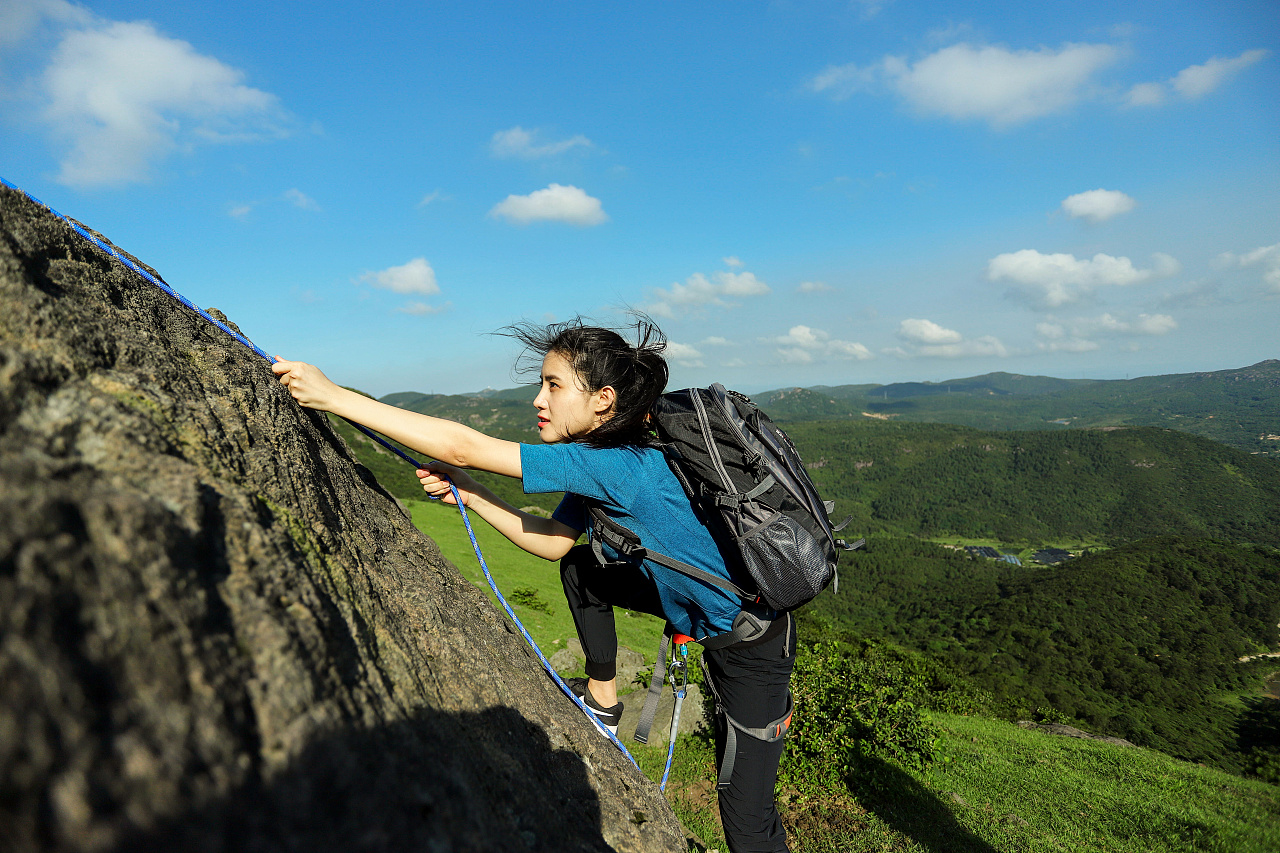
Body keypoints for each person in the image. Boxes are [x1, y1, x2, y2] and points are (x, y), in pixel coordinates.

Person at [272, 317, 794, 853]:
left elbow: (460, 447)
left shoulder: (620, 468)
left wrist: (334, 397)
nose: (539, 399)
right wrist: (472, 496)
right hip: (726, 624)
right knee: (583, 569)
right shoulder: (605, 459)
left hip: (752, 648)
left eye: (554, 385)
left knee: (746, 820)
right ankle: (604, 703)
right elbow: (555, 542)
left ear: (602, 399)